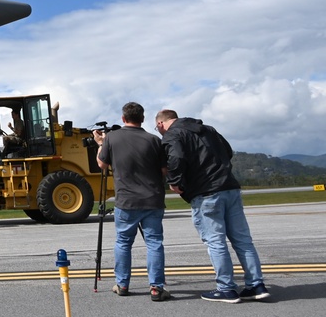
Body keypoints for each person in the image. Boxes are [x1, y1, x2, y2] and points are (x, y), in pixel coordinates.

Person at [155, 109, 269, 303]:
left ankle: (226, 288)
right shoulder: (208, 129)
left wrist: (174, 181)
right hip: (229, 187)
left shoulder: (173, 134)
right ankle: (255, 284)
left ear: (161, 124)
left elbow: (176, 157)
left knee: (215, 241)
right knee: (243, 240)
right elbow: (228, 151)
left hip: (206, 192)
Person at [95, 102, 170, 301]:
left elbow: (102, 164)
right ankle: (156, 287)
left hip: (126, 201)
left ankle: (122, 284)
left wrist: (101, 144)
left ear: (123, 118)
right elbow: (164, 171)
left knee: (123, 242)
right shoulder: (154, 140)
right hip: (152, 199)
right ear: (142, 119)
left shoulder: (112, 138)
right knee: (154, 243)